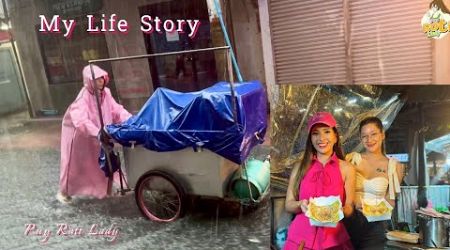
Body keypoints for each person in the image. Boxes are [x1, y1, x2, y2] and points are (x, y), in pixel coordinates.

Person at [56, 65, 132, 204]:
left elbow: (116, 110)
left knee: (107, 160)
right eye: (96, 79)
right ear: (89, 81)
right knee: (77, 167)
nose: (101, 81)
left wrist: (130, 119)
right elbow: (80, 120)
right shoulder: (83, 97)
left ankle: (107, 190)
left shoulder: (106, 93)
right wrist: (96, 132)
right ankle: (64, 191)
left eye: (101, 78)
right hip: (82, 138)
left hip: (101, 134)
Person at [284, 112, 355, 250]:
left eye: (327, 132)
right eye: (315, 133)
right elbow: (288, 204)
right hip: (300, 239)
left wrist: (340, 211)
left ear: (335, 137)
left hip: (333, 240)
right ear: (310, 138)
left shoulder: (347, 168)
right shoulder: (300, 166)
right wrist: (300, 204)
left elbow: (350, 207)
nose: (321, 138)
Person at [345, 117, 405, 249]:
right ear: (361, 139)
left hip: (375, 225)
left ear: (382, 134)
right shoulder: (352, 159)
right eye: (364, 136)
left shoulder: (395, 166)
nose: (369, 140)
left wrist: (376, 209)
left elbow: (391, 200)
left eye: (373, 134)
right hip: (348, 220)